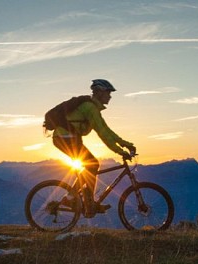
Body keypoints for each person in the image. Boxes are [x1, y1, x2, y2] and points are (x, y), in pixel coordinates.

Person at [52, 79, 136, 215]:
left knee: (91, 165)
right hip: (65, 138)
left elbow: (106, 130)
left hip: (68, 138)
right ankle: (85, 202)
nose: (110, 96)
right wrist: (120, 151)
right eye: (108, 93)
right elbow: (103, 134)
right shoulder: (90, 108)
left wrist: (125, 144)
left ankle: (75, 198)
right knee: (92, 164)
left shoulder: (93, 109)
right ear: (100, 93)